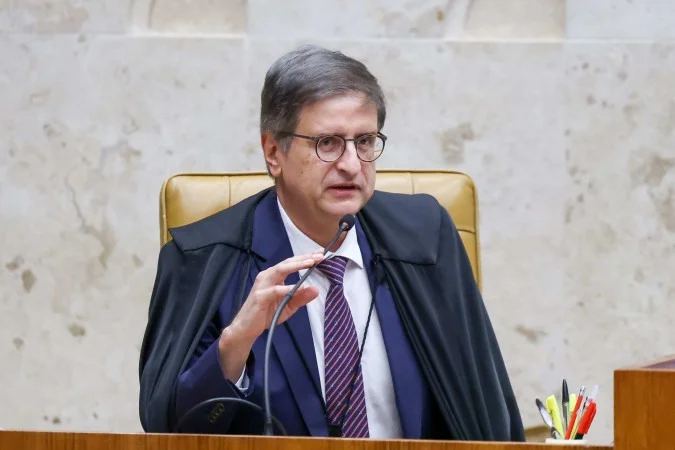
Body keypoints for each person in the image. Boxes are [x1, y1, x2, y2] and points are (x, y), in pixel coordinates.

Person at [138, 44, 525, 441]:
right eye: (327, 143)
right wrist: (236, 343)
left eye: (365, 141)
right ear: (273, 152)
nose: (352, 165)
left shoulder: (424, 238)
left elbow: (484, 403)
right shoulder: (202, 258)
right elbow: (168, 429)